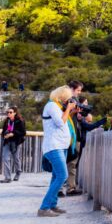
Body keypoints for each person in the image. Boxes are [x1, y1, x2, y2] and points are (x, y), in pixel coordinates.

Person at [38, 85, 75, 217]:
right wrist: (69, 109)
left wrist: (71, 112)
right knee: (62, 176)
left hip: (60, 146)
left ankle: (52, 205)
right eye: (67, 98)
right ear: (62, 96)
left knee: (56, 176)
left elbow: (62, 120)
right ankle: (44, 207)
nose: (68, 101)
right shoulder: (52, 106)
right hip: (54, 146)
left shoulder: (57, 106)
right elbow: (60, 123)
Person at [0, 107, 26, 183]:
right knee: (5, 158)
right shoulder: (7, 121)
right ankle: (7, 177)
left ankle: (18, 172)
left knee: (16, 158)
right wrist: (4, 135)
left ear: (15, 113)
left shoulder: (20, 121)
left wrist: (13, 134)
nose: (9, 113)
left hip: (16, 142)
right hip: (7, 142)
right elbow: (3, 131)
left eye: (10, 112)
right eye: (7, 112)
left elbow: (23, 132)